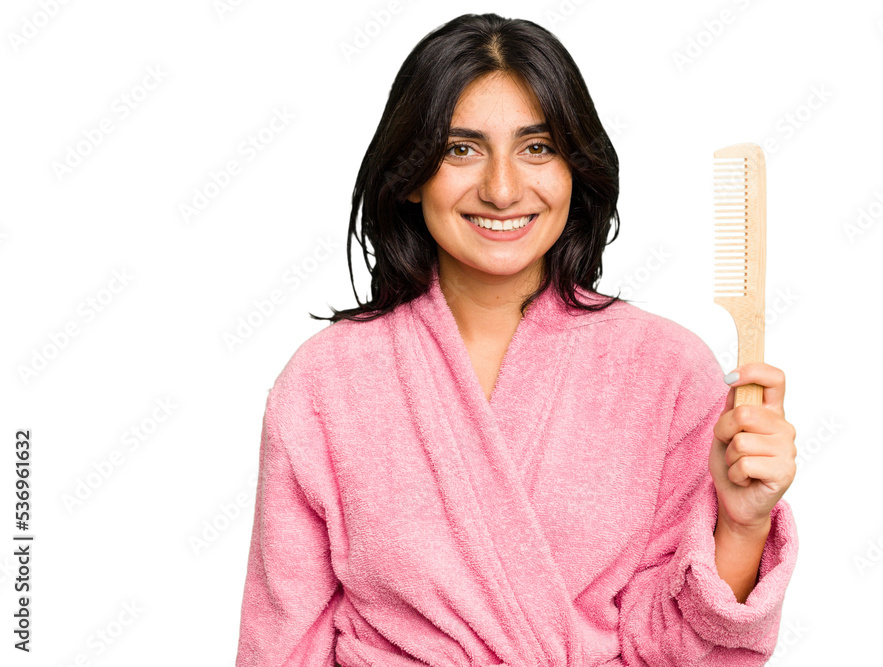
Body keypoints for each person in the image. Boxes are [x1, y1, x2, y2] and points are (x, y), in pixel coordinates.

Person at [235, 12, 798, 666]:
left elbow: (679, 650)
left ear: (574, 170)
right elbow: (282, 646)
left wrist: (743, 523)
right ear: (412, 172)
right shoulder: (325, 382)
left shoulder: (669, 372)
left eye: (537, 147)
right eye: (461, 148)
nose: (502, 189)